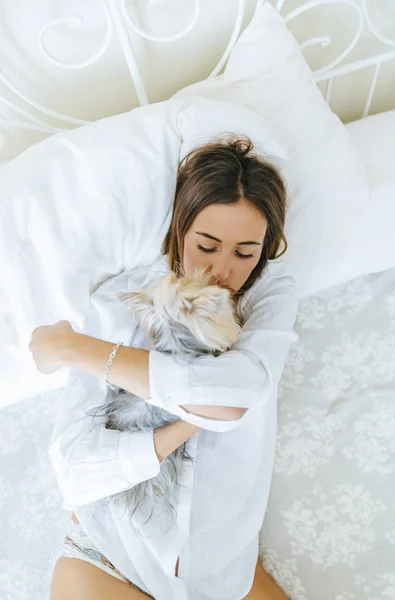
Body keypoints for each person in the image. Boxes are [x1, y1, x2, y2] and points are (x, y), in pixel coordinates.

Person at [29, 136, 299, 600]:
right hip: (110, 559)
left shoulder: (266, 297)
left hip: (225, 575)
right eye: (207, 245)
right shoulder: (119, 304)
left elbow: (238, 393)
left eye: (244, 252)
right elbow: (75, 468)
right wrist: (182, 426)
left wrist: (74, 348)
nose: (220, 271)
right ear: (180, 227)